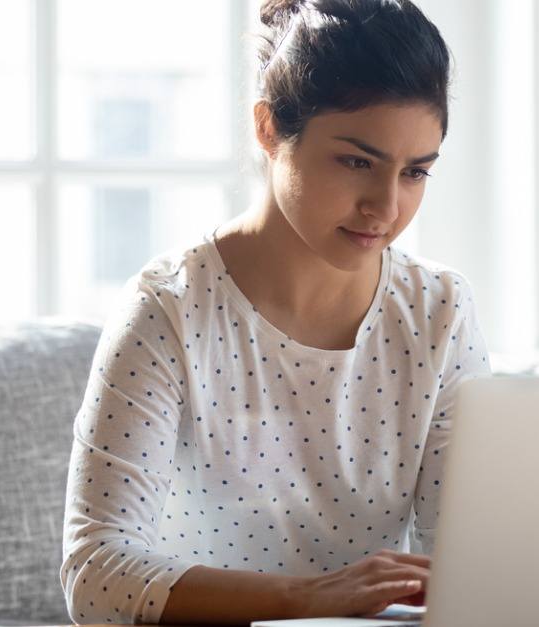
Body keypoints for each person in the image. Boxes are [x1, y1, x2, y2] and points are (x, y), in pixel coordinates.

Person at [59, 0, 491, 623]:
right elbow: (96, 576)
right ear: (268, 129)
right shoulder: (169, 310)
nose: (386, 208)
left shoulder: (439, 312)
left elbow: (469, 561)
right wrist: (308, 599)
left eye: (416, 172)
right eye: (356, 162)